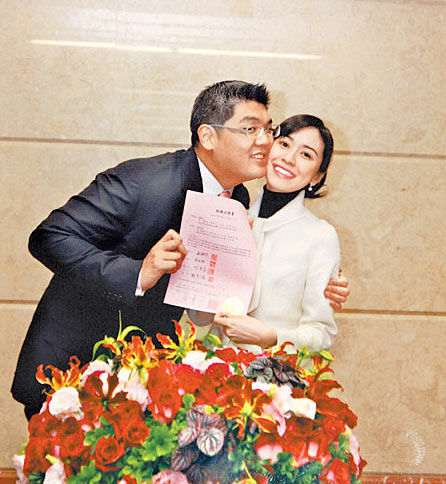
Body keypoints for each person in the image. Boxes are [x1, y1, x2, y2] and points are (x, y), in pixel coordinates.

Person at [11, 81, 349, 420]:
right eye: (250, 129)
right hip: (72, 371)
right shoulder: (143, 181)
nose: (265, 141)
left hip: (145, 381)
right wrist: (138, 273)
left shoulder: (238, 200)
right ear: (208, 137)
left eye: (267, 129)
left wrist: (319, 287)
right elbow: (49, 236)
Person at [210, 114, 340, 353]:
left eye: (306, 155)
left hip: (275, 373)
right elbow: (199, 315)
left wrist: (272, 337)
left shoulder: (320, 236)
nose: (289, 158)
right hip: (213, 366)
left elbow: (322, 333)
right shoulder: (233, 215)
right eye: (285, 144)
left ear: (317, 176)